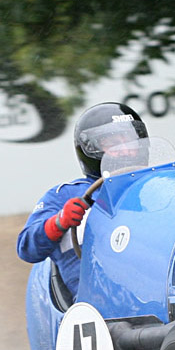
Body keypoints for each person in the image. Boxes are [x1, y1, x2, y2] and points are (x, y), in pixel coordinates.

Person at [17, 102, 148, 297]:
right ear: (89, 148)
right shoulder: (65, 195)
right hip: (95, 304)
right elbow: (26, 247)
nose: (125, 149)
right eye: (113, 143)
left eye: (129, 140)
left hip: (152, 285)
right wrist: (59, 222)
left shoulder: (155, 186)